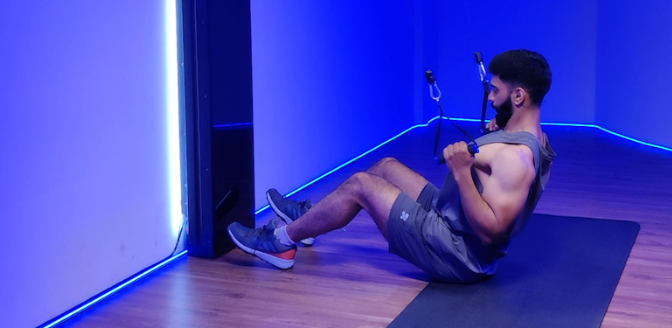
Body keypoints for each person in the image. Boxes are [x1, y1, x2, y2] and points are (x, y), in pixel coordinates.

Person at [227, 49, 556, 283]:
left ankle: (280, 243)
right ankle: (309, 222)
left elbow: (492, 230)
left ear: (518, 97)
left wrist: (461, 173)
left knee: (360, 185)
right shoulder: (530, 136)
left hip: (458, 254)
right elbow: (498, 164)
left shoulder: (516, 159)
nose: (490, 98)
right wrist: (498, 133)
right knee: (385, 166)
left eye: (495, 91)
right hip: (451, 219)